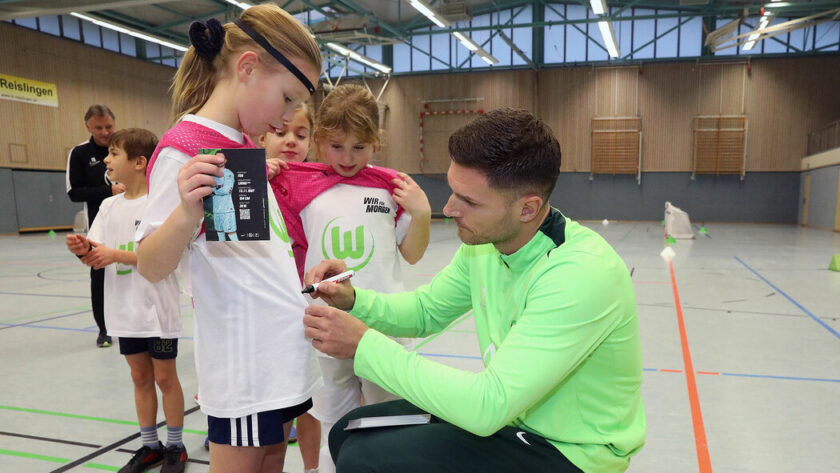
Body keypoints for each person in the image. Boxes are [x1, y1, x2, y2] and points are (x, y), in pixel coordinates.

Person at [302, 108, 646, 473]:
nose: (449, 209)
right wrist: (354, 300)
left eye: (469, 201)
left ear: (527, 208)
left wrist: (363, 344)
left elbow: (487, 405)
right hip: (512, 422)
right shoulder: (485, 244)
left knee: (364, 458)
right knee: (348, 433)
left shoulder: (580, 274)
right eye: (453, 192)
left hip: (570, 452)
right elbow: (426, 311)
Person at [134, 6, 323, 473]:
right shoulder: (183, 148)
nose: (286, 119)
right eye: (286, 98)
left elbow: (258, 256)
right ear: (247, 68)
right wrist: (186, 212)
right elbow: (151, 264)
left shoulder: (244, 147)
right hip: (247, 368)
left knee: (276, 456)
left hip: (282, 357)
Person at [284, 83, 431, 473]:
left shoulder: (390, 188)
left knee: (388, 420)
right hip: (326, 324)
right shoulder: (298, 186)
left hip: (383, 324)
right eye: (336, 146)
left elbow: (412, 254)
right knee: (334, 417)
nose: (347, 157)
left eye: (358, 147)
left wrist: (422, 214)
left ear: (376, 143)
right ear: (318, 142)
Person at [66, 128, 187, 473]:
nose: (106, 159)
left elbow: (167, 257)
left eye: (114, 153)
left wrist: (115, 254)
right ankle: (150, 445)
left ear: (139, 162)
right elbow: (96, 253)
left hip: (158, 309)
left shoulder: (162, 205)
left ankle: (175, 446)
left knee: (165, 377)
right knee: (139, 376)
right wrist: (83, 250)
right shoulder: (108, 205)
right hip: (125, 309)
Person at [258, 102, 322, 473]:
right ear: (261, 136)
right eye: (281, 133)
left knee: (314, 402)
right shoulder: (252, 182)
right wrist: (258, 176)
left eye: (300, 134)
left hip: (312, 306)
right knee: (280, 406)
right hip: (272, 315)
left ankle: (313, 468)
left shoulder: (316, 181)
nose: (291, 141)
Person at [65, 104, 122, 347]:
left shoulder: (125, 148)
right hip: (100, 229)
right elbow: (73, 192)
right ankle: (104, 330)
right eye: (98, 127)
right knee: (99, 276)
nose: (105, 131)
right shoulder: (79, 153)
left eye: (109, 126)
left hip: (130, 222)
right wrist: (109, 190)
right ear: (88, 126)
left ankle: (135, 324)